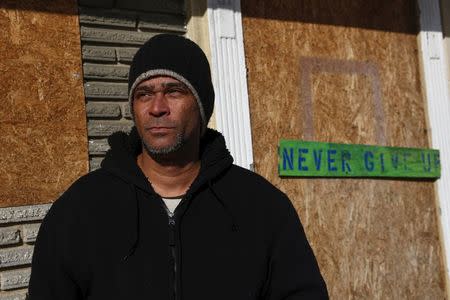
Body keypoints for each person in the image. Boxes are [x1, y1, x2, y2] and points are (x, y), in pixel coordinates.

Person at [28, 34, 328, 300]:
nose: (157, 107)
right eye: (144, 94)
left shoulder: (262, 207)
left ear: (201, 106)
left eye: (173, 91)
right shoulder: (80, 210)